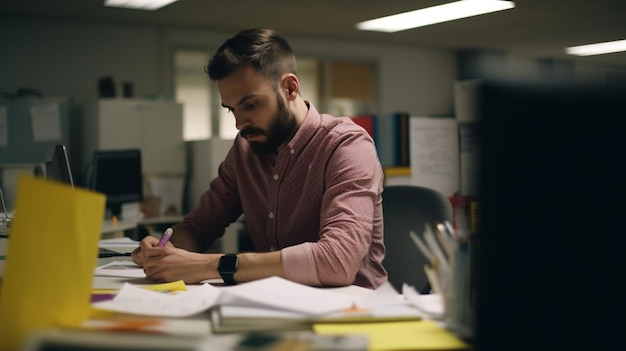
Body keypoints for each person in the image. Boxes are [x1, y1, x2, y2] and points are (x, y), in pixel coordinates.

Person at [132, 28, 387, 289]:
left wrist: (209, 266)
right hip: (274, 303)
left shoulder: (346, 145)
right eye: (232, 109)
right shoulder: (245, 149)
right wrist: (163, 249)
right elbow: (199, 226)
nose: (239, 123)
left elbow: (337, 262)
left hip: (352, 312)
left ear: (290, 88)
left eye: (251, 105)